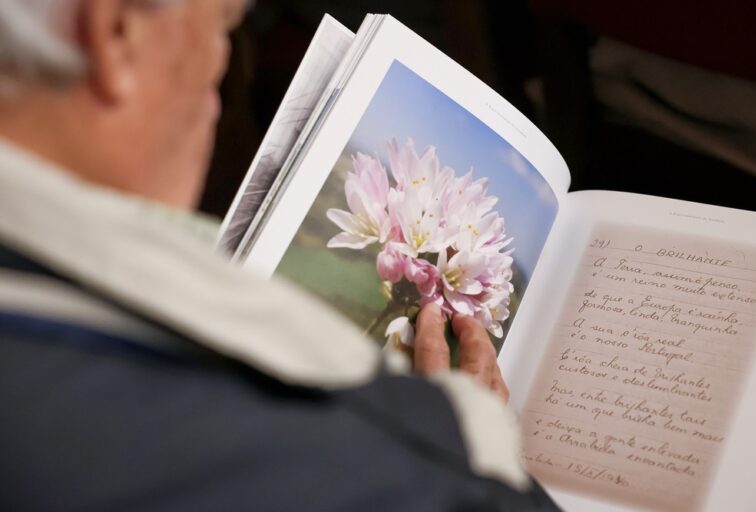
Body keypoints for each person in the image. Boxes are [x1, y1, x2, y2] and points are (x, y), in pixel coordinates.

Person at [0, 1, 558, 510]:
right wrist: (468, 444)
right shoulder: (362, 458)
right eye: (223, 25)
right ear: (118, 32)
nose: (224, 64)